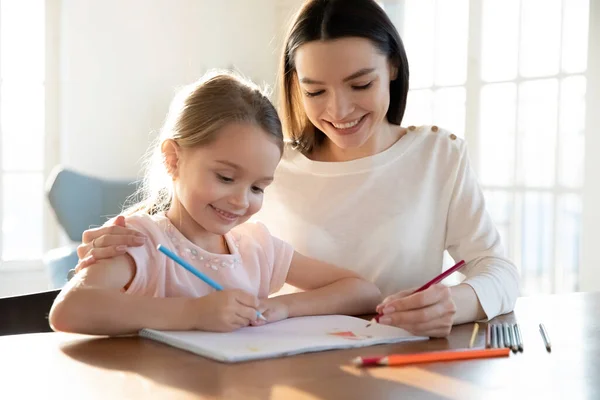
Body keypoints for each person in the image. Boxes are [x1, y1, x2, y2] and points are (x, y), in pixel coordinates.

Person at [73, 0, 519, 338]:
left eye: (360, 84)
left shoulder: (439, 155)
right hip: (277, 366)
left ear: (394, 68)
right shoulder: (266, 164)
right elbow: (183, 217)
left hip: (404, 362)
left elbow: (496, 268)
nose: (338, 110)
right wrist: (111, 239)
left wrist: (455, 302)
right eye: (315, 91)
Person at [48, 71, 382, 336]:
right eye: (225, 177)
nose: (240, 200)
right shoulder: (142, 241)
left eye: (257, 187)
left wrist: (281, 307)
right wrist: (192, 313)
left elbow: (362, 292)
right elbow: (69, 310)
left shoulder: (256, 249)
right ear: (173, 159)